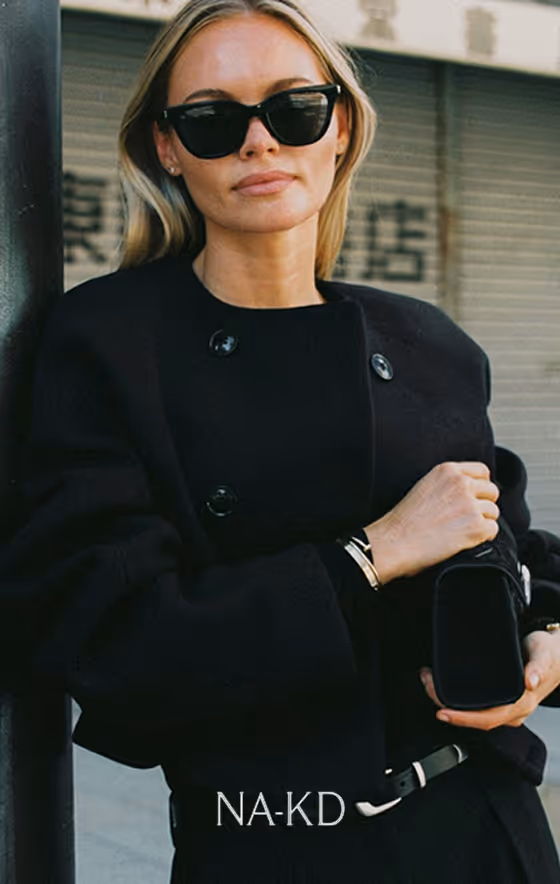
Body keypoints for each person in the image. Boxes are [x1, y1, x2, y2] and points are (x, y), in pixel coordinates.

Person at [1, 0, 560, 881]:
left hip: (486, 827)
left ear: (340, 128)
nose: (259, 142)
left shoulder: (431, 343)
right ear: (167, 147)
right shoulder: (110, 343)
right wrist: (374, 553)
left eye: (295, 108)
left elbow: (517, 546)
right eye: (213, 120)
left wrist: (548, 637)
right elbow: (112, 637)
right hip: (266, 842)